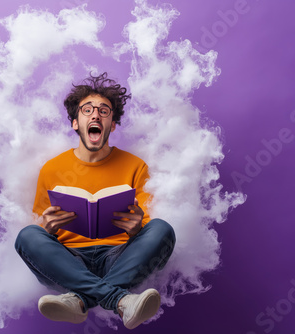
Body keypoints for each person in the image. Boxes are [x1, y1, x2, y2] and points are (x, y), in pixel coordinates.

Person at [15, 72, 176, 329]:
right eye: (87, 109)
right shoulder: (51, 169)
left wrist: (137, 228)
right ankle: (121, 300)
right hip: (69, 261)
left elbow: (147, 224)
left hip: (120, 257)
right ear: (75, 123)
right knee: (27, 236)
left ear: (112, 124)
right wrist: (46, 229)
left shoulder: (135, 165)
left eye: (104, 110)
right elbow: (41, 232)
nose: (95, 115)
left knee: (162, 230)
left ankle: (79, 300)